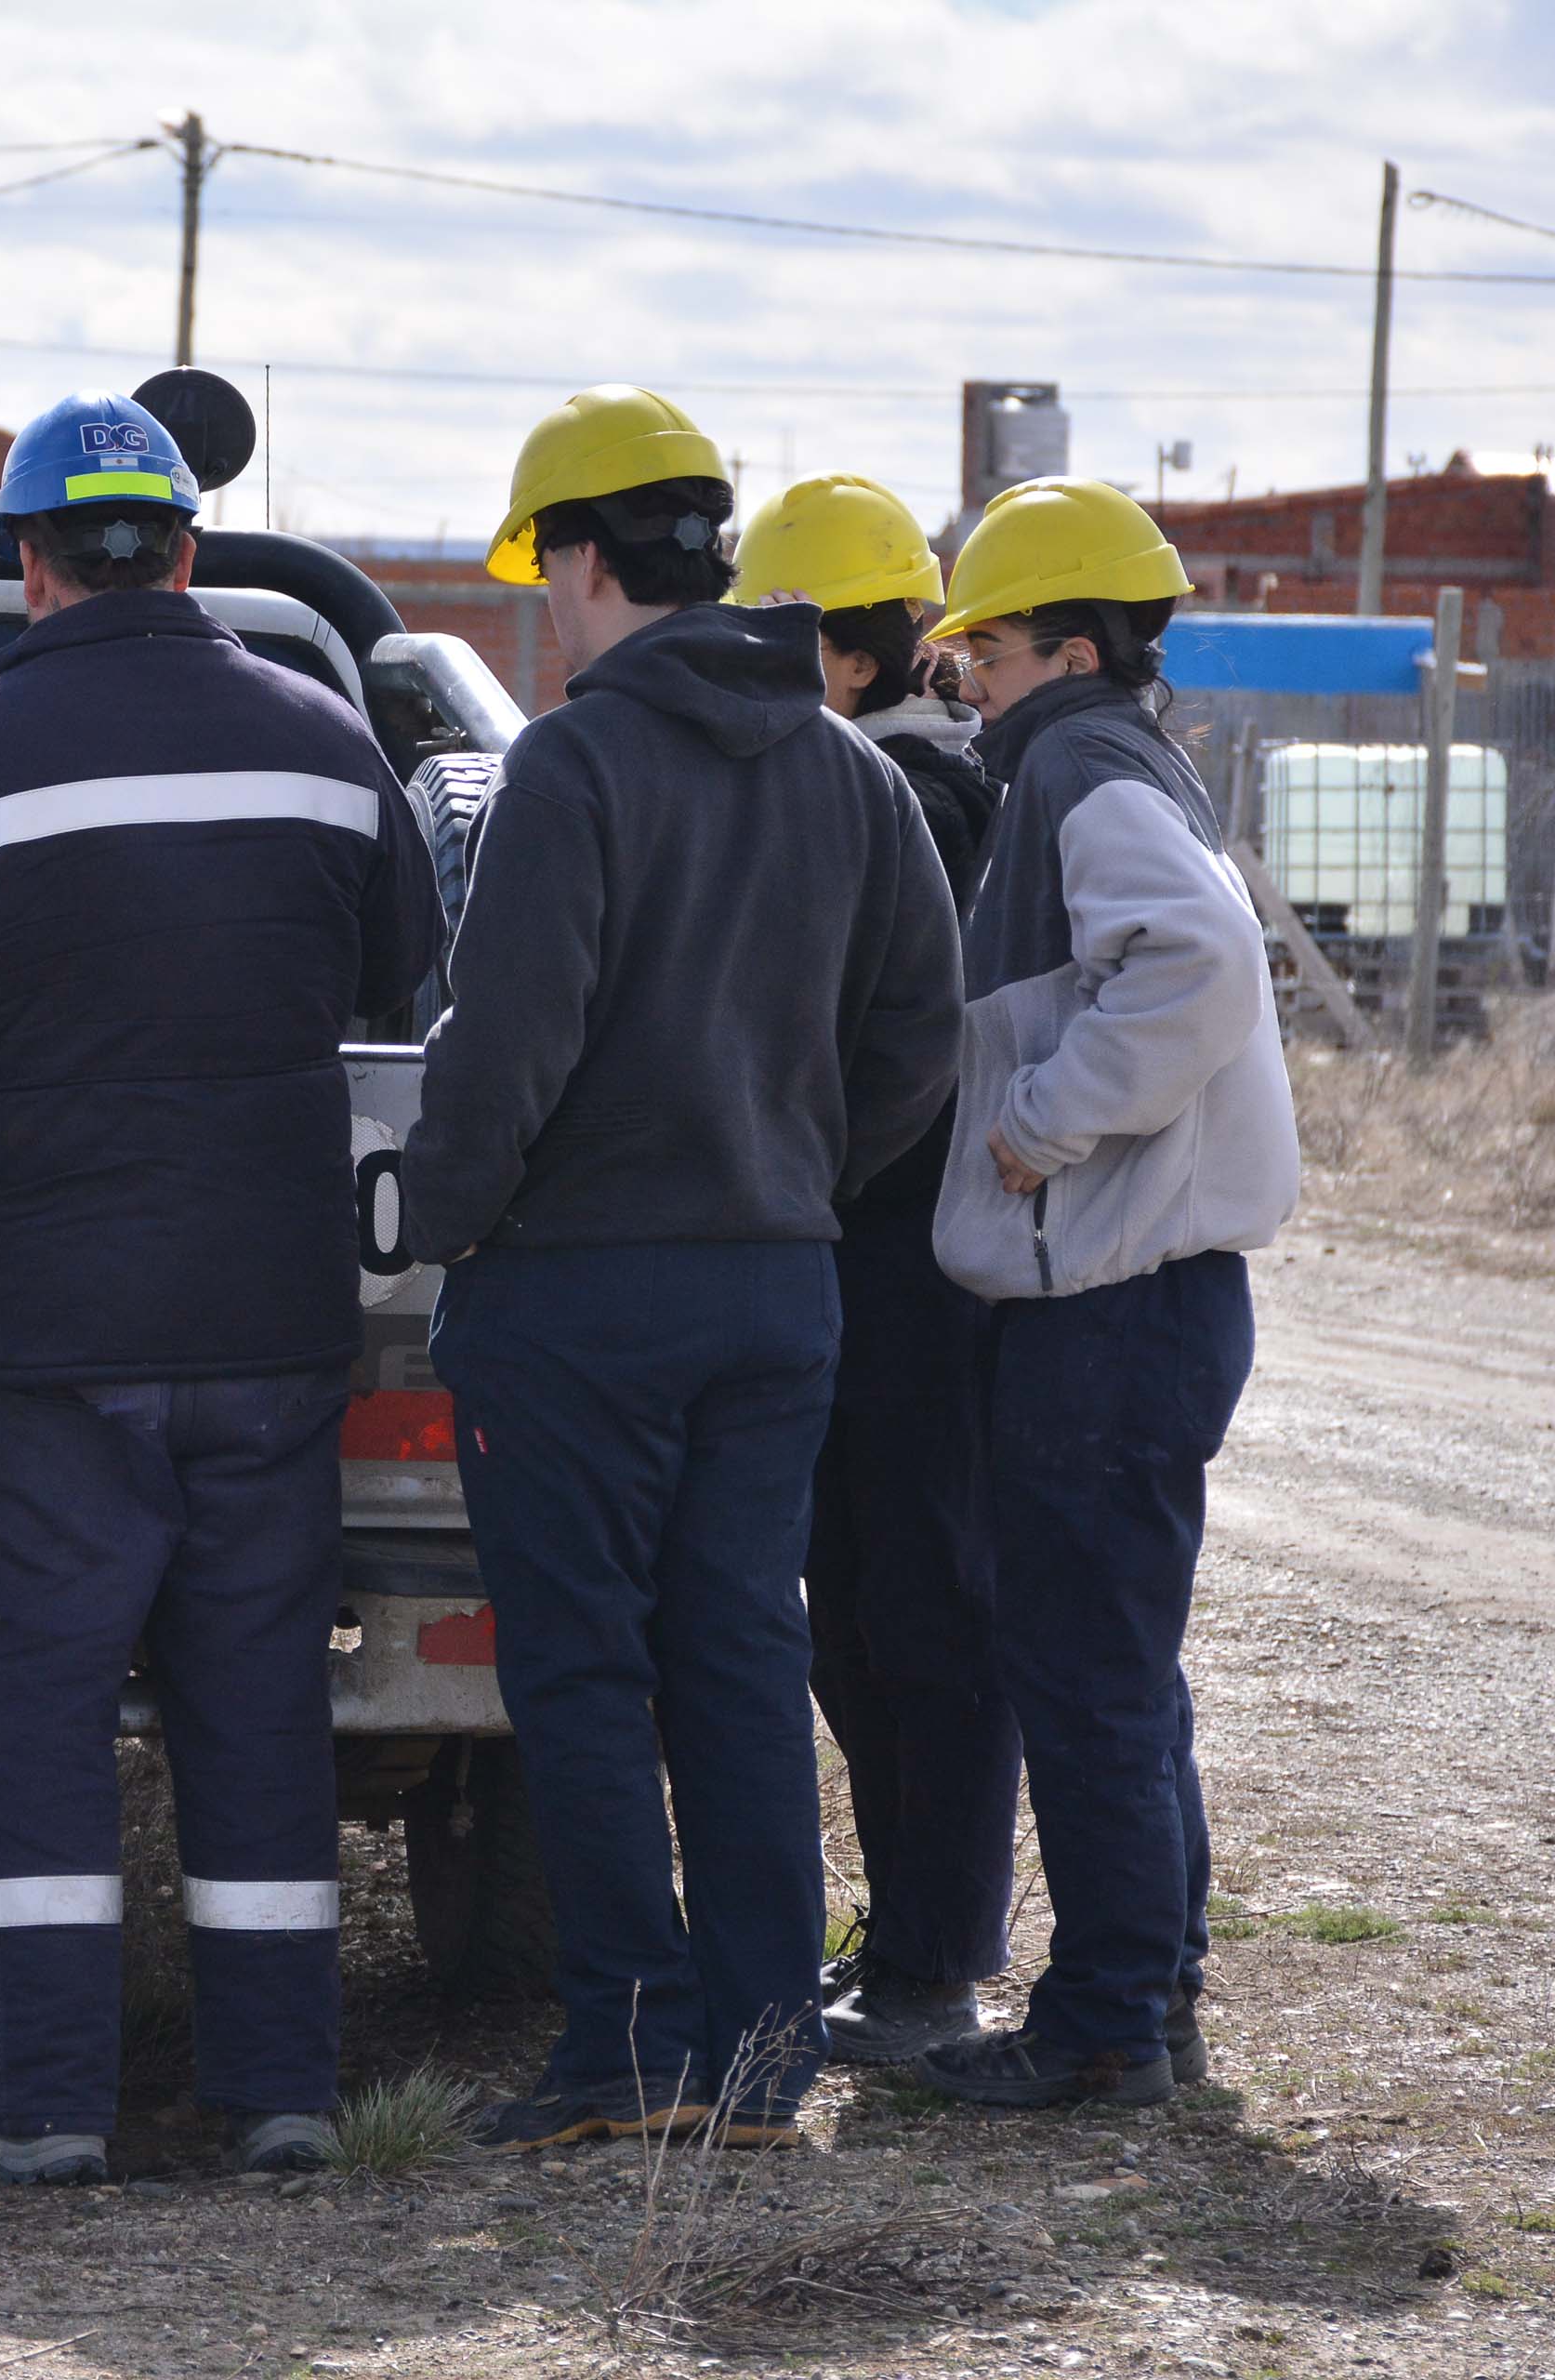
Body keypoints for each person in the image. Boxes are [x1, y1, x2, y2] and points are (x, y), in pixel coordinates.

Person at [0, 390, 441, 2187]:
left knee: (43, 1720)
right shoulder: (321, 738)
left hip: (47, 1335)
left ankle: (50, 2106)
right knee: (254, 1714)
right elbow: (400, 966)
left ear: (27, 559)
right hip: (267, 1320)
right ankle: (284, 2095)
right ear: (190, 547)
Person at [400, 390, 963, 2151]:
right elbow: (920, 1039)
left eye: (542, 570)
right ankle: (758, 2057)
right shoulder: (853, 771)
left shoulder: (571, 766)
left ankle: (625, 2049)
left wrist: (444, 1213)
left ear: (577, 556)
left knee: (580, 1675)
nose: (543, 606)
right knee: (737, 1659)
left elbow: (506, 1042)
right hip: (777, 1284)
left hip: (575, 1291)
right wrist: (798, 1172)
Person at [911, 478, 1300, 2109]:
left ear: (1066, 641)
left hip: (1113, 1310)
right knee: (1119, 1663)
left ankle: (1103, 2028)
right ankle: (1152, 1980)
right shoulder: (1121, 755)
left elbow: (1201, 964)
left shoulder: (1075, 763)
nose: (971, 679)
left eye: (986, 647)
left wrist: (1038, 1122)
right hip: (1147, 1302)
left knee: (1083, 1668)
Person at [728, 474, 1017, 2067]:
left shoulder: (923, 797)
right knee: (860, 1610)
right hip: (870, 1258)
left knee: (922, 1611)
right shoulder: (900, 779)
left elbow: (895, 1050)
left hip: (912, 1268)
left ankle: (936, 1963)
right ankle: (912, 1935)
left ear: (849, 655)